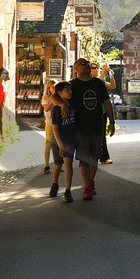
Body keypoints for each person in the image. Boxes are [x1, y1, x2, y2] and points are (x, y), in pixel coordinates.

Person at [68, 58, 115, 200]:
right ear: (76, 68)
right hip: (79, 127)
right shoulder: (72, 85)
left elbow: (106, 103)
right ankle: (87, 186)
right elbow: (55, 96)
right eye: (81, 64)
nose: (85, 65)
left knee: (94, 157)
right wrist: (63, 106)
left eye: (86, 63)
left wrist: (111, 122)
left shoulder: (98, 83)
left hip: (97, 125)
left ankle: (90, 183)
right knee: (83, 158)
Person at [47, 82, 76, 203]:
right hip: (58, 140)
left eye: (70, 89)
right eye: (67, 90)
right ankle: (55, 183)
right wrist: (60, 145)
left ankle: (68, 190)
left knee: (68, 162)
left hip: (70, 139)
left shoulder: (73, 104)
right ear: (60, 93)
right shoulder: (57, 109)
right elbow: (55, 128)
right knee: (58, 164)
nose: (70, 92)